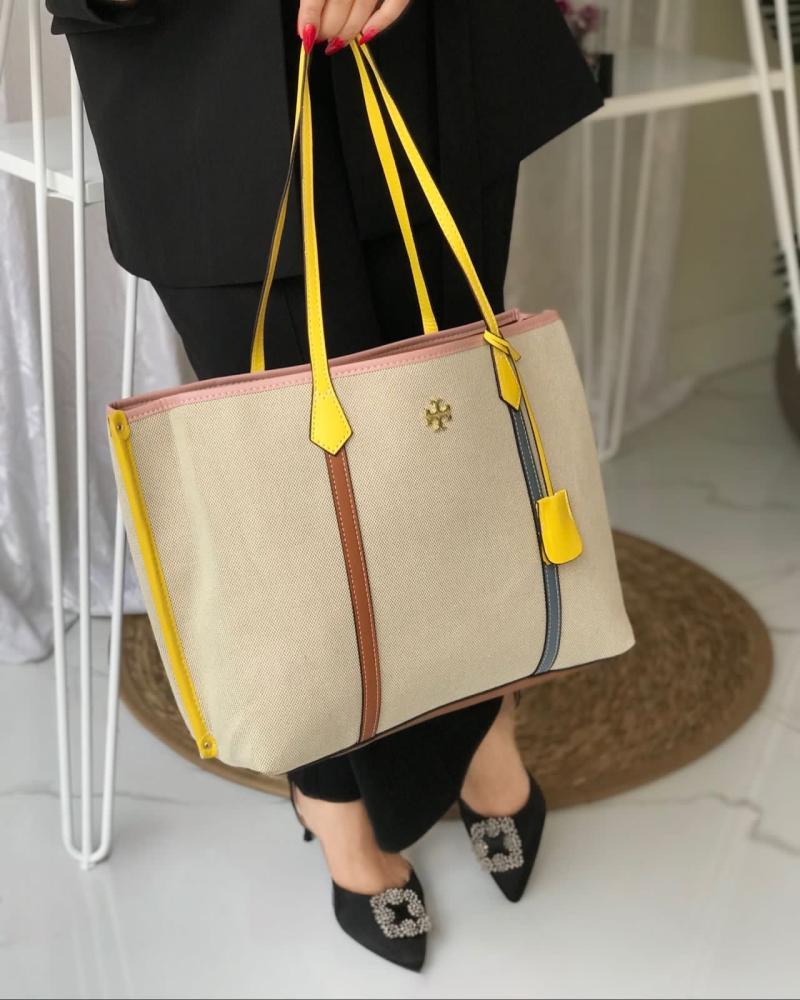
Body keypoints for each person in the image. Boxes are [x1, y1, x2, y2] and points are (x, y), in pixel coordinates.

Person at [48, 0, 603, 971]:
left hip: (430, 43)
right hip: (197, 66)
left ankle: (480, 723)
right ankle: (333, 794)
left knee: (450, 428)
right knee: (281, 492)